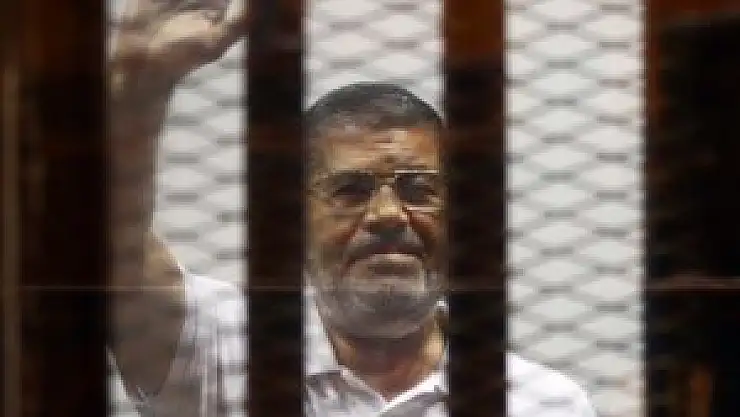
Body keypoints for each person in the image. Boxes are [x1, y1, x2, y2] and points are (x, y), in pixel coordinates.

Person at [108, 0, 597, 416]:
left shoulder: (542, 404)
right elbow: (109, 252)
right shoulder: (222, 348)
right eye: (350, 191)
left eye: (418, 189)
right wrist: (137, 84)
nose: (388, 214)